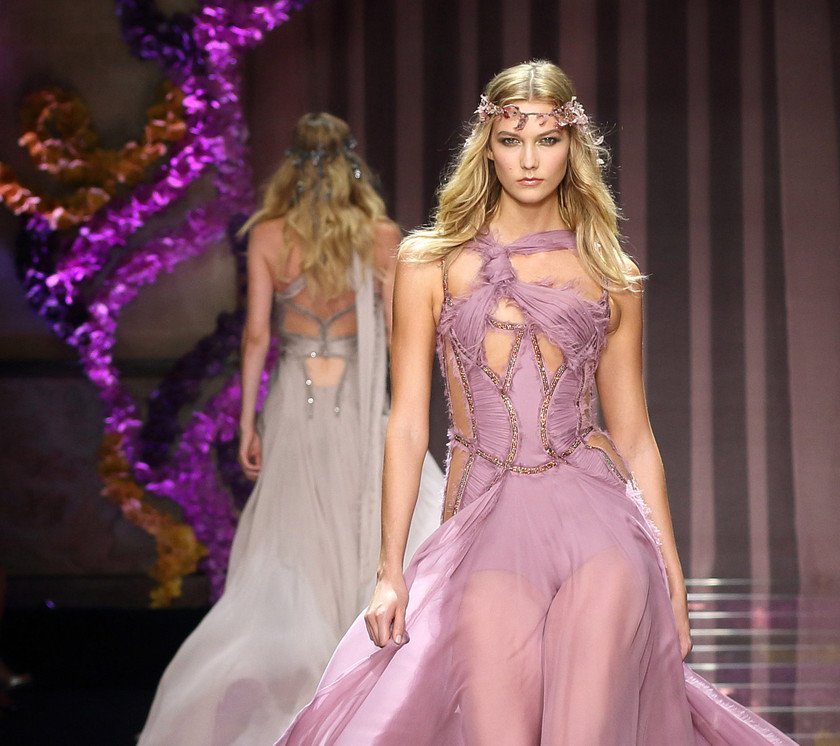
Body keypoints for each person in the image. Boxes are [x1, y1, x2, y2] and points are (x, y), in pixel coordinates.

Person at [278, 63, 796, 744]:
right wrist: (389, 571)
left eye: (547, 139)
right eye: (511, 139)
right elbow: (405, 427)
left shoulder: (611, 273)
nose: (528, 160)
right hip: (485, 524)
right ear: (487, 146)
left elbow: (634, 435)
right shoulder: (427, 263)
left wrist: (672, 571)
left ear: (572, 146)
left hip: (598, 525)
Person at [138, 113, 443, 745]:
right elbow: (399, 339)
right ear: (352, 164)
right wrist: (401, 413)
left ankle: (305, 684)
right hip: (360, 406)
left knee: (296, 539)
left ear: (292, 166)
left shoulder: (269, 235)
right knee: (365, 525)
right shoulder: (381, 236)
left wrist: (246, 420)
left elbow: (257, 336)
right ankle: (362, 685)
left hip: (295, 404)